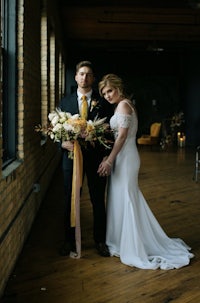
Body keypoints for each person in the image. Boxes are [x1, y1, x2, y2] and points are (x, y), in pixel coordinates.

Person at [97, 74, 194, 269]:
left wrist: (109, 160)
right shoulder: (124, 104)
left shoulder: (124, 105)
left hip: (126, 157)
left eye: (109, 91)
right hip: (123, 156)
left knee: (126, 197)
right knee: (121, 196)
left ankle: (131, 244)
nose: (107, 95)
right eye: (104, 93)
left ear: (118, 88)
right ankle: (119, 240)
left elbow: (122, 137)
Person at [59, 61, 114, 257]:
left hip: (96, 159)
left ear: (93, 78)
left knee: (98, 200)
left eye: (89, 74)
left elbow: (110, 133)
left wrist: (107, 156)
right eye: (81, 74)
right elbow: (56, 131)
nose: (84, 77)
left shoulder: (104, 104)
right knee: (69, 200)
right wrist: (61, 143)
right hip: (71, 159)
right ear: (75, 77)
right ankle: (69, 241)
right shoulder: (64, 103)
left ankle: (100, 241)